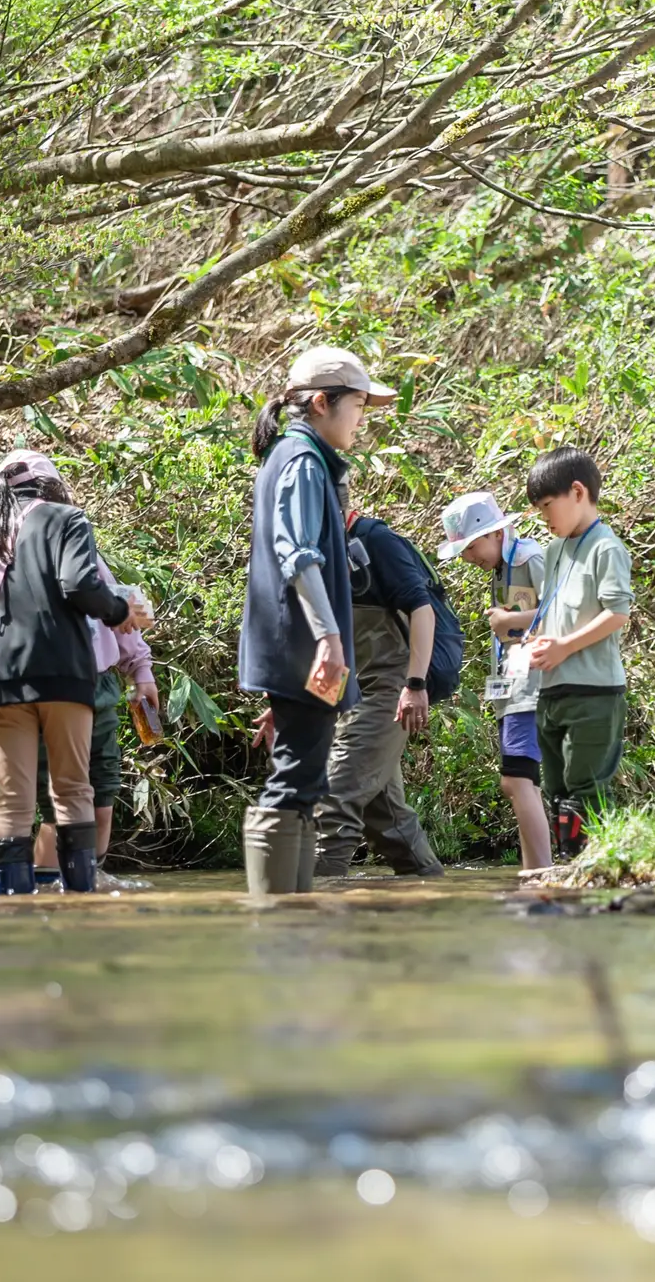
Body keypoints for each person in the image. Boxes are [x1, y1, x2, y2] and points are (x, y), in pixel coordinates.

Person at [0, 450, 148, 893]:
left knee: (12, 801)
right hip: (65, 680)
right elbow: (80, 586)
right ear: (48, 488)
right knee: (73, 790)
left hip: (1, 685)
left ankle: (10, 903)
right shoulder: (66, 520)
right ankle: (79, 899)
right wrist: (119, 610)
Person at [238, 346, 393, 898]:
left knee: (303, 776)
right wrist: (328, 637)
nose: (362, 418)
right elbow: (298, 554)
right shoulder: (303, 460)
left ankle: (292, 910)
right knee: (296, 778)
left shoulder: (294, 457)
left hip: (293, 649)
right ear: (322, 403)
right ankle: (277, 917)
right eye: (358, 405)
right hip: (304, 646)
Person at [22, 472, 160, 890]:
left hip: (98, 683)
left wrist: (141, 669)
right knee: (58, 804)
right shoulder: (0, 554)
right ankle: (48, 891)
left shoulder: (79, 542)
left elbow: (113, 603)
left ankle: (87, 884)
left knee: (102, 794)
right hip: (49, 686)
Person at [311, 511, 443, 878]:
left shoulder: (376, 541)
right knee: (386, 820)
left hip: (390, 687)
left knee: (334, 798)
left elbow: (422, 610)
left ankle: (308, 915)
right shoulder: (313, 552)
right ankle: (429, 893)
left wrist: (415, 685)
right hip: (350, 691)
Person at [518, 447, 633, 857]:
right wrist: (541, 640)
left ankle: (594, 871)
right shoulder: (553, 550)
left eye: (548, 506)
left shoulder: (606, 548)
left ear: (579, 492)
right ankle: (569, 870)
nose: (544, 518)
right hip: (552, 690)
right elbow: (555, 611)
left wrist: (565, 646)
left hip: (594, 691)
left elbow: (618, 613)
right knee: (556, 790)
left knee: (587, 789)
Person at [438, 490, 553, 871]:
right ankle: (533, 868)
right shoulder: (501, 569)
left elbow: (562, 609)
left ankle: (539, 871)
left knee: (516, 781)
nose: (470, 559)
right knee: (521, 783)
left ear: (496, 534)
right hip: (512, 686)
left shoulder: (529, 557)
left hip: (533, 686)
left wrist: (510, 621)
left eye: (472, 548)